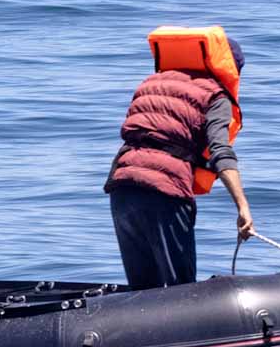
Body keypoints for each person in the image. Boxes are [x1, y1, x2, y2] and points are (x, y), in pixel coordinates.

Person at [104, 25, 256, 289]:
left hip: (122, 187)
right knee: (180, 291)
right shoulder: (215, 96)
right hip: (164, 192)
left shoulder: (151, 83)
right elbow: (221, 152)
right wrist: (243, 207)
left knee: (142, 291)